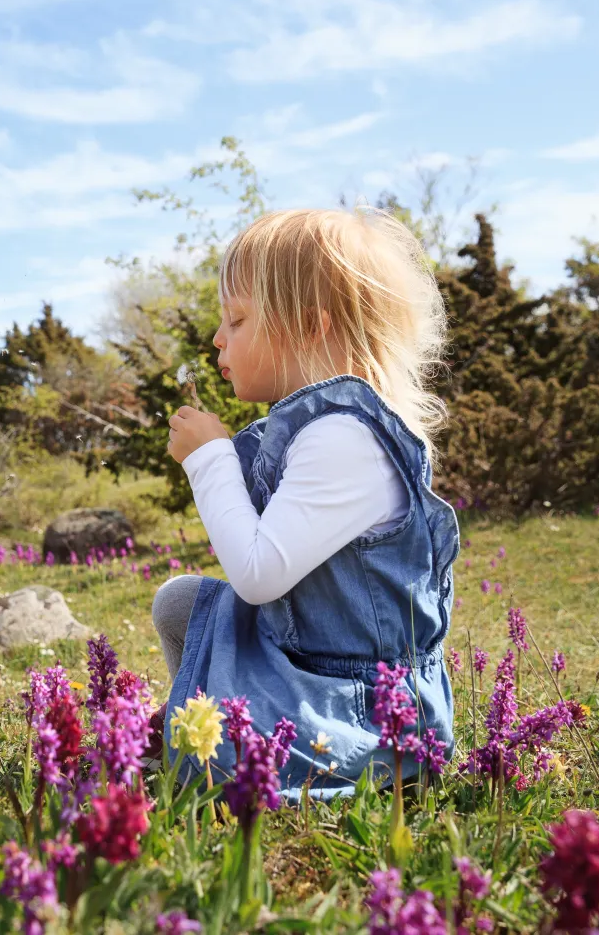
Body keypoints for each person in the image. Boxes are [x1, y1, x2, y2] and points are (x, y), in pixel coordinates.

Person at [150, 206, 460, 800]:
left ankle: (211, 753)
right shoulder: (314, 432)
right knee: (182, 604)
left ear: (310, 326)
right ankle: (198, 734)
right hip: (305, 667)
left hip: (361, 712)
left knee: (192, 616)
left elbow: (259, 575)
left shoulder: (344, 439)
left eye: (236, 319)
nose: (218, 338)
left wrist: (210, 461)